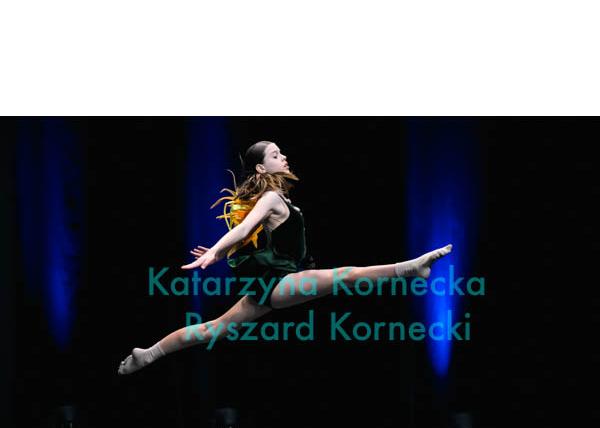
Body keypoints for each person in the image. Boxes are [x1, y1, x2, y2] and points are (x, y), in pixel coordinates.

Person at [118, 140, 452, 375]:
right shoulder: (271, 197)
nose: (284, 157)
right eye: (276, 155)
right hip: (278, 282)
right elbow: (244, 227)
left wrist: (223, 251)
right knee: (346, 275)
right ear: (261, 166)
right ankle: (412, 267)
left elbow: (248, 237)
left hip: (271, 285)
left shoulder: (280, 200)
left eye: (282, 152)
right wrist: (217, 251)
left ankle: (149, 354)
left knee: (212, 330)